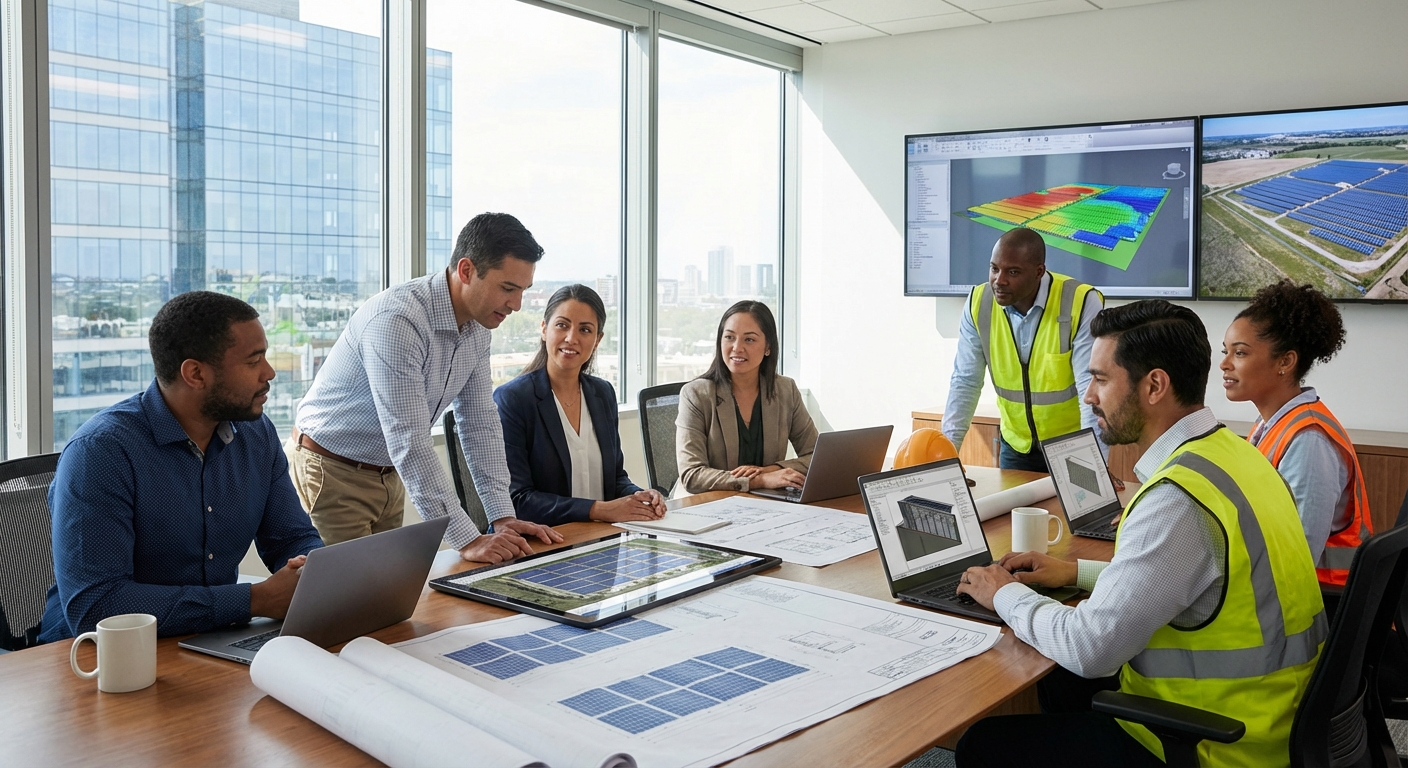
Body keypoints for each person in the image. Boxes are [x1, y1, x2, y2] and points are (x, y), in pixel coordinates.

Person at [954, 300, 1324, 767]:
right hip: (1275, 715)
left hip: (1218, 743)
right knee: (1058, 680)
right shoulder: (1235, 454)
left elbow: (1090, 650)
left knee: (985, 744)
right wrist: (1076, 572)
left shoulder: (1177, 498)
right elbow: (1196, 577)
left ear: (1154, 385)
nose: (1088, 396)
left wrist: (1003, 593)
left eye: (1101, 379)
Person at [38, 292, 325, 641]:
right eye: (254, 361)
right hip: (93, 659)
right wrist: (254, 600)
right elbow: (98, 606)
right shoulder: (100, 454)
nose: (270, 373)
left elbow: (291, 538)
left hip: (208, 641)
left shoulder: (256, 433)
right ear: (195, 374)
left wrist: (315, 575)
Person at [290, 213, 562, 564]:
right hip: (333, 471)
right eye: (507, 288)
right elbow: (410, 440)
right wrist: (467, 539)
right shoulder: (399, 321)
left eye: (522, 291)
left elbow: (480, 422)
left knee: (387, 597)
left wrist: (502, 517)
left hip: (388, 475)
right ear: (466, 271)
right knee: (348, 603)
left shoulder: (479, 327)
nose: (516, 304)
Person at [1222, 279, 1369, 586]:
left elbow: (1294, 558)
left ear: (1286, 361)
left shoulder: (1308, 441)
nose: (1224, 364)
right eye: (1226, 352)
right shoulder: (1270, 424)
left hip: (1317, 607)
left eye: (1240, 353)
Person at [494, 285, 667, 525]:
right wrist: (599, 510)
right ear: (544, 329)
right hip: (541, 546)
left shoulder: (602, 393)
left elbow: (615, 479)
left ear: (597, 340)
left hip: (599, 541)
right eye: (562, 325)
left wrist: (638, 496)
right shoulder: (513, 399)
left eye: (585, 330)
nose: (571, 338)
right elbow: (517, 500)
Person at [943, 227, 1106, 473]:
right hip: (1016, 446)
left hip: (1073, 445)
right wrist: (947, 455)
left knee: (1077, 511)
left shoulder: (1081, 301)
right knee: (1012, 512)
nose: (999, 280)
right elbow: (965, 381)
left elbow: (1090, 387)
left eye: (1013, 272)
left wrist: (1096, 464)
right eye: (994, 268)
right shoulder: (979, 303)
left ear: (1039, 271)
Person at [676, 301, 817, 494]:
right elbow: (692, 475)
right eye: (729, 337)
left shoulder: (785, 390)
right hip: (709, 503)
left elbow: (815, 455)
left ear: (768, 346)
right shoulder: (696, 395)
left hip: (767, 503)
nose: (736, 348)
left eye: (749, 340)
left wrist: (773, 470)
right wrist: (759, 480)